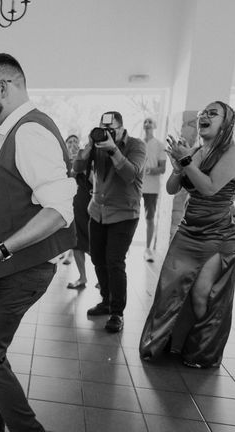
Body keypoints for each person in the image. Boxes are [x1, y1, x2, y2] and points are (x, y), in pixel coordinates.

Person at [0, 53, 76, 432]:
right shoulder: (19, 131)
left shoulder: (29, 132)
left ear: (5, 86)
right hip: (12, 264)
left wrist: (2, 250)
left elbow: (59, 210)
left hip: (21, 267)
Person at [139, 101, 235, 369]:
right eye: (202, 114)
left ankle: (201, 350)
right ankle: (164, 343)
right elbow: (173, 188)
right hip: (189, 230)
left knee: (202, 294)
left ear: (227, 123)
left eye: (212, 113)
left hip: (217, 233)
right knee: (169, 288)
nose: (204, 117)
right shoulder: (197, 151)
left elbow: (209, 188)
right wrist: (178, 166)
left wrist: (186, 160)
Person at [73, 111, 146, 334]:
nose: (107, 133)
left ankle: (117, 312)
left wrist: (113, 149)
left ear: (122, 128)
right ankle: (106, 301)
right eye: (104, 129)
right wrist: (88, 146)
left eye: (111, 129)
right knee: (97, 258)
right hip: (97, 211)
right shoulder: (97, 145)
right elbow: (77, 168)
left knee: (114, 261)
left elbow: (130, 174)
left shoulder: (136, 145)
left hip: (124, 213)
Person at [65, 134, 92, 290]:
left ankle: (102, 278)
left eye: (75, 141)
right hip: (70, 204)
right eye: (70, 141)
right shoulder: (61, 159)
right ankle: (82, 277)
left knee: (90, 242)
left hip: (85, 203)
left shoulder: (86, 159)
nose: (73, 144)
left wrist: (80, 160)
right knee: (76, 243)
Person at [142, 117, 167, 262]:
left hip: (152, 188)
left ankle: (148, 249)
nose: (147, 124)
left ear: (155, 125)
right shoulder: (137, 143)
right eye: (145, 122)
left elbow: (162, 168)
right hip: (136, 185)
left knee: (149, 218)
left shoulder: (159, 145)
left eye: (150, 122)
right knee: (129, 217)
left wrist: (149, 170)